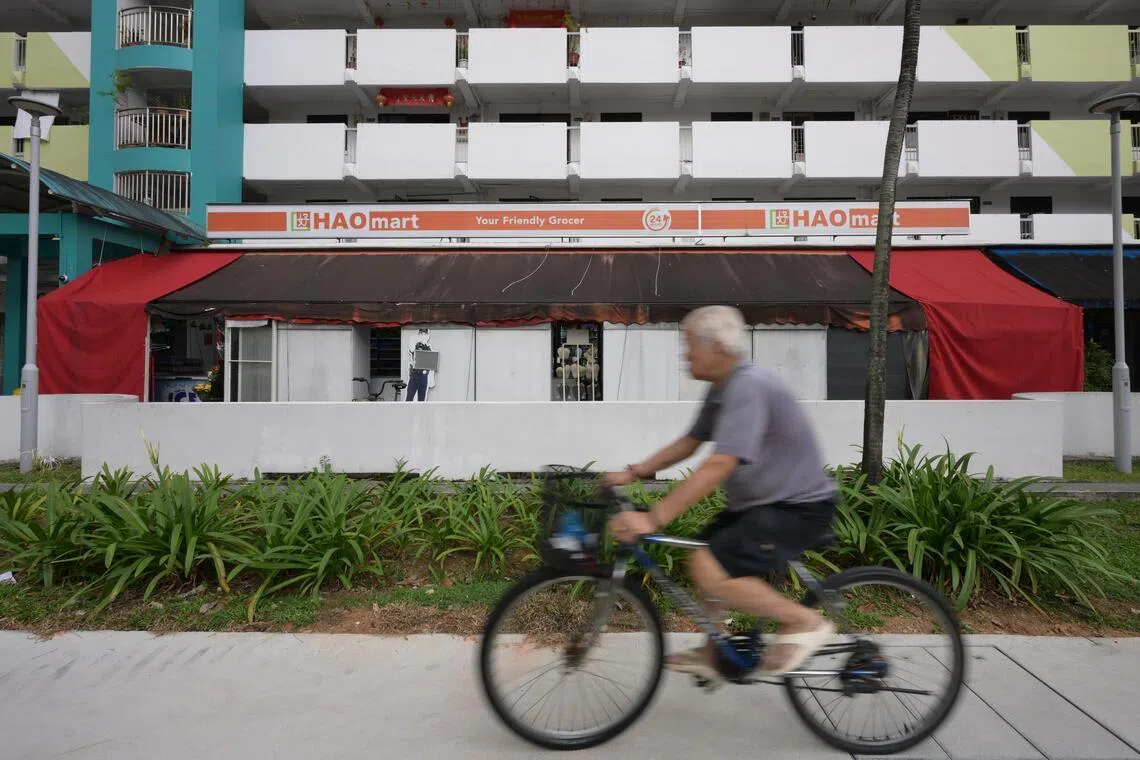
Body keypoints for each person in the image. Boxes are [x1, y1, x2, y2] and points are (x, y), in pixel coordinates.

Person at [603, 305, 837, 685]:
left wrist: (652, 518)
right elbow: (690, 442)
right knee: (702, 556)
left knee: (710, 569)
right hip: (761, 505)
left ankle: (804, 621)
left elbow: (720, 464)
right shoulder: (722, 387)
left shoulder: (748, 385)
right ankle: (715, 652)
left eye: (690, 345)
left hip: (797, 507)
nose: (685, 355)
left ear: (717, 347)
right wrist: (632, 473)